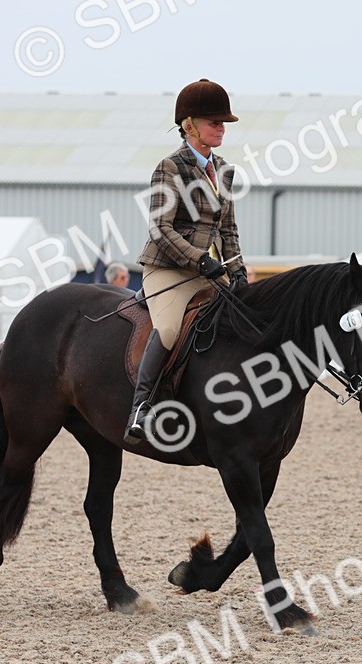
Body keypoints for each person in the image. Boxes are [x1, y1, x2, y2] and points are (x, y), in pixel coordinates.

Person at [125, 78, 249, 444]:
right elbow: (160, 228)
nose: (221, 129)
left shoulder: (224, 170)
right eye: (214, 122)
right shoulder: (170, 167)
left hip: (210, 271)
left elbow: (228, 229)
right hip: (168, 269)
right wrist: (199, 260)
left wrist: (238, 270)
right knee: (167, 330)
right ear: (190, 125)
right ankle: (141, 407)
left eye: (224, 123)